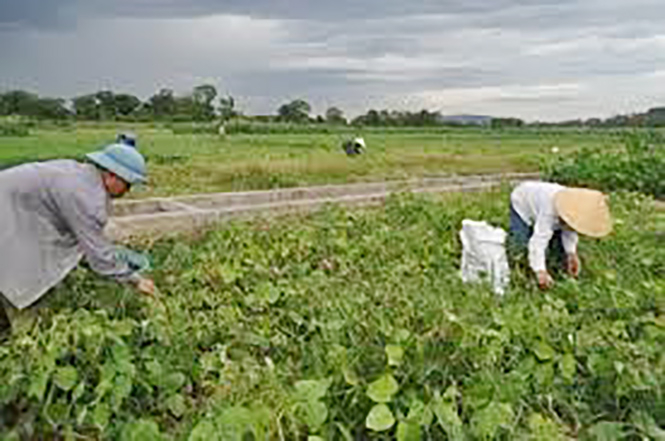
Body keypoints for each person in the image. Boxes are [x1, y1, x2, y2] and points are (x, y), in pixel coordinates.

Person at [0, 144, 156, 337]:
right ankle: (19, 343)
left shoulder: (80, 173)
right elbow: (99, 257)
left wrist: (112, 252)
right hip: (8, 212)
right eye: (128, 183)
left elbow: (86, 236)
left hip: (14, 207)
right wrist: (135, 280)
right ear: (111, 176)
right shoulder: (86, 197)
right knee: (22, 280)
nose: (128, 190)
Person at [508, 181, 612, 289]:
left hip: (543, 207)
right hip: (521, 202)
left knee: (558, 250)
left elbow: (570, 230)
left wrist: (571, 253)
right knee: (519, 243)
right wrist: (540, 270)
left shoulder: (573, 207)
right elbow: (538, 241)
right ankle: (517, 272)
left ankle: (554, 269)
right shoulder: (549, 209)